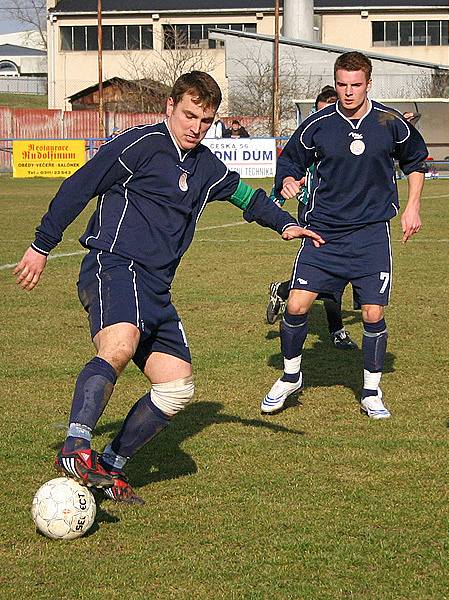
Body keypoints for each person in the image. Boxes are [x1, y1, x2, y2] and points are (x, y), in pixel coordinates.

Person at [13, 71, 322, 505]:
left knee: (176, 387)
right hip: (114, 265)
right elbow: (79, 186)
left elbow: (247, 198)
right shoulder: (139, 144)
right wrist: (41, 245)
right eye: (190, 115)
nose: (196, 127)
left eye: (206, 120)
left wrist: (285, 224)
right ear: (170, 108)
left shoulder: (205, 167)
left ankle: (108, 467)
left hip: (156, 286)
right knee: (119, 343)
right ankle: (76, 444)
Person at [261, 51, 428, 419]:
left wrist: (413, 206)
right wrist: (287, 179)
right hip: (323, 233)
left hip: (370, 234)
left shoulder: (390, 122)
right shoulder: (317, 124)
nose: (348, 92)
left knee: (371, 313)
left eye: (355, 85)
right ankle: (291, 377)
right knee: (296, 305)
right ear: (335, 83)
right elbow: (289, 160)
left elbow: (415, 161)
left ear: (369, 84)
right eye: (341, 85)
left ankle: (371, 390)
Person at [266, 85, 358, 350]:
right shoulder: (311, 133)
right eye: (320, 112)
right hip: (313, 212)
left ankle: (283, 290)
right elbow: (290, 166)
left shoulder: (347, 139)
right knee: (333, 272)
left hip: (343, 214)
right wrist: (282, 194)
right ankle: (337, 330)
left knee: (329, 274)